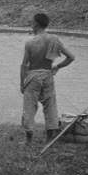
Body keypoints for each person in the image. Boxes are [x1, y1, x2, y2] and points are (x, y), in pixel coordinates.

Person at [20, 13, 75, 144]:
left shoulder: (30, 43)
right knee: (50, 107)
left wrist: (22, 83)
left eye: (32, 23)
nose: (31, 25)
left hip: (33, 77)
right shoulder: (54, 39)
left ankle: (29, 140)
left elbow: (24, 65)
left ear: (35, 24)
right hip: (48, 75)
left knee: (29, 107)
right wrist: (58, 67)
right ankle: (49, 139)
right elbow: (71, 57)